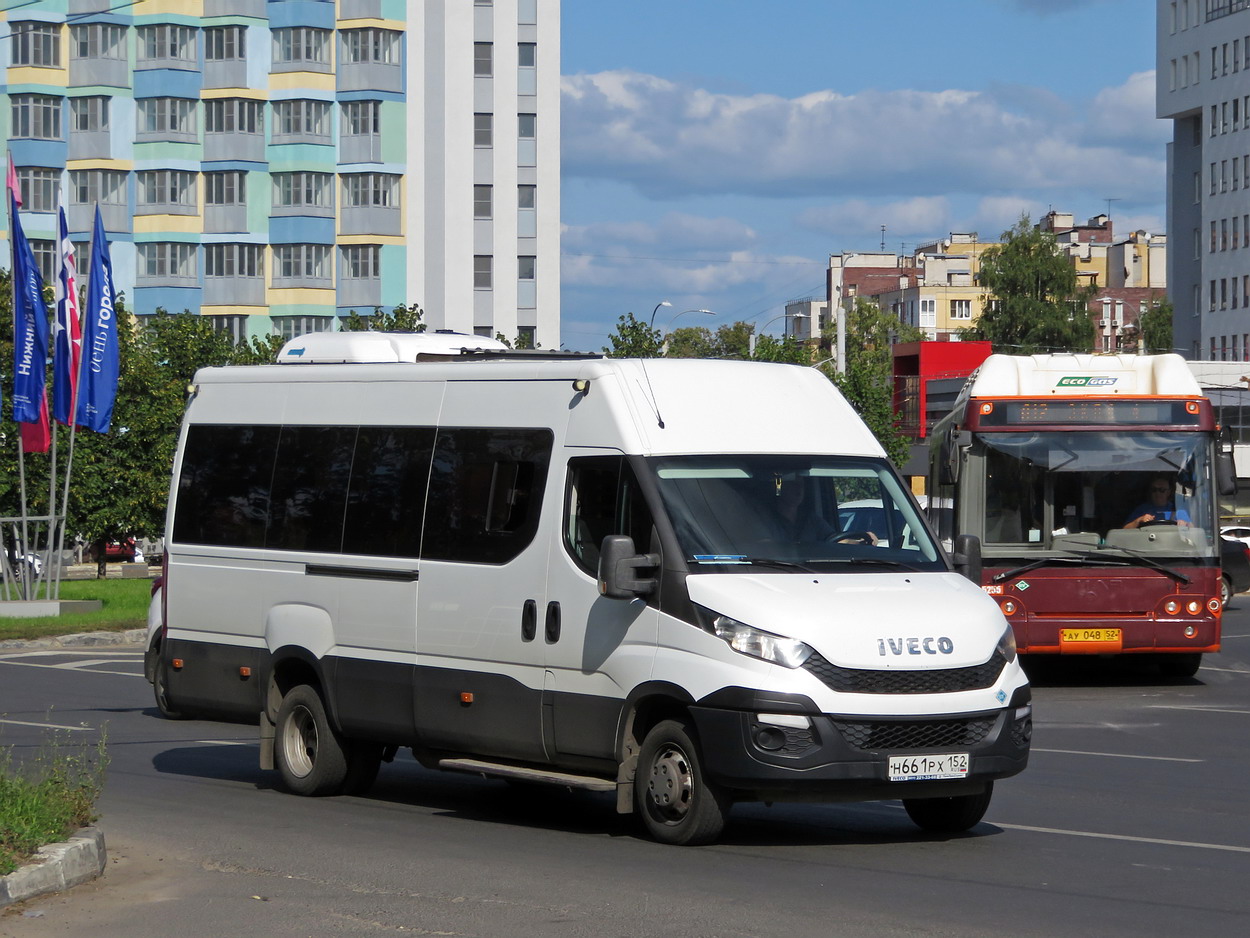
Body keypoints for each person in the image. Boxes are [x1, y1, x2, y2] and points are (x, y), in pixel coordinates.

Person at [1123, 474, 1191, 529]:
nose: (1158, 493)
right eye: (1154, 490)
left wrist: (1185, 524)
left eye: (1162, 490)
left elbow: (1194, 530)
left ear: (1168, 492)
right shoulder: (1142, 510)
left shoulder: (1178, 510)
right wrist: (1138, 520)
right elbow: (1124, 530)